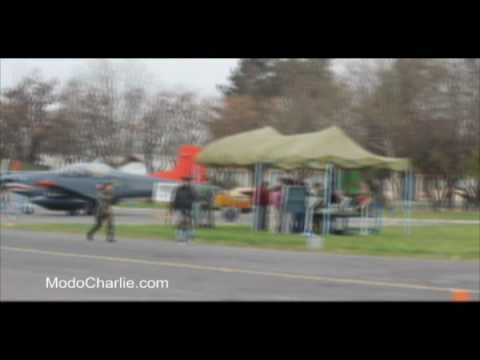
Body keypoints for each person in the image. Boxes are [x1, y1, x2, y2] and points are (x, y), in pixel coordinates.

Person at [171, 176, 197, 243]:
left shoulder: (192, 190)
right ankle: (179, 238)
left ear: (189, 182)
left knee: (187, 224)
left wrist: (189, 205)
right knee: (179, 224)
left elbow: (195, 198)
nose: (185, 183)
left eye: (187, 181)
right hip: (179, 208)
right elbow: (175, 199)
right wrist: (173, 208)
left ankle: (188, 238)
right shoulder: (178, 189)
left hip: (188, 209)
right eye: (184, 181)